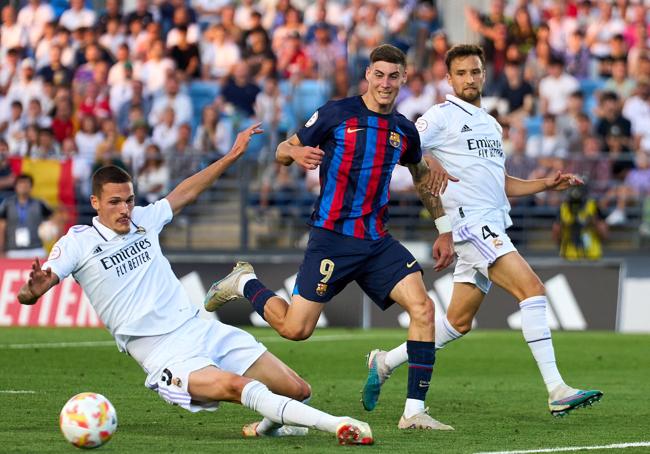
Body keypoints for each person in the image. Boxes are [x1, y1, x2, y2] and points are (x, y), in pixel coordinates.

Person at [16, 123, 373, 446]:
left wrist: (231, 156)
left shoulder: (143, 220)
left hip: (198, 328)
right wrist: (32, 291)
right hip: (164, 354)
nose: (125, 209)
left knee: (298, 390)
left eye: (128, 200)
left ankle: (267, 426)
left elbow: (186, 192)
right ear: (95, 203)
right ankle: (336, 424)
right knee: (235, 387)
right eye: (115, 203)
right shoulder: (78, 241)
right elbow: (37, 286)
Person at [205, 44, 457, 430]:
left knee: (423, 308)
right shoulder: (337, 113)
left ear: (404, 79)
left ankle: (413, 412)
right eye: (379, 74)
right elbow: (281, 148)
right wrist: (297, 152)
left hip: (376, 240)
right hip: (332, 238)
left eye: (394, 76)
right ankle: (245, 282)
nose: (385, 83)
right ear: (367, 76)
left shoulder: (404, 130)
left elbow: (421, 175)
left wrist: (443, 229)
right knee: (295, 329)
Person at [362, 44, 603, 418]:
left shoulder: (490, 123)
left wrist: (544, 184)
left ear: (483, 74)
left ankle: (385, 361)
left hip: (491, 220)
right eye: (461, 73)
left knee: (458, 323)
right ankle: (556, 389)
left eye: (475, 72)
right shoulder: (441, 115)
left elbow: (501, 182)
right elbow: (401, 145)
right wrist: (431, 159)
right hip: (471, 223)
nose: (469, 79)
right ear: (450, 78)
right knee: (533, 290)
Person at [0, 174, 53, 258]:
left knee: (43, 268)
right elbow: (2, 227)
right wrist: (1, 250)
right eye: (21, 184)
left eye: (26, 184)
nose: (23, 186)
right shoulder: (7, 204)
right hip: (13, 249)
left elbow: (53, 218)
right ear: (15, 187)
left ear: (31, 187)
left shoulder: (40, 203)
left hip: (36, 248)